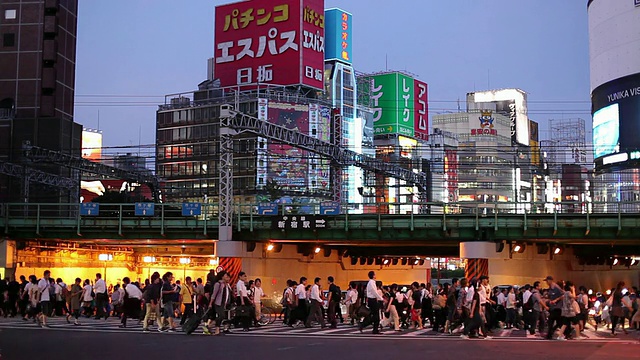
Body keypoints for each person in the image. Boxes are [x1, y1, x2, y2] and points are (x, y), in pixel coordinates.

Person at [207, 270, 232, 336]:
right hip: (218, 303)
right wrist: (210, 303)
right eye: (226, 276)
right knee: (221, 315)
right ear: (222, 277)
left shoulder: (226, 285)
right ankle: (215, 328)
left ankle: (213, 327)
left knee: (222, 316)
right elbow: (214, 294)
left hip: (223, 303)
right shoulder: (218, 284)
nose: (227, 278)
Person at [544, 276, 564, 340]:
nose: (546, 282)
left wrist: (556, 300)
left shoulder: (556, 287)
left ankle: (551, 334)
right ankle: (550, 334)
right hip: (553, 307)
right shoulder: (550, 288)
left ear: (550, 280)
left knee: (557, 322)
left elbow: (563, 295)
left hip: (557, 308)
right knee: (553, 322)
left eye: (547, 281)